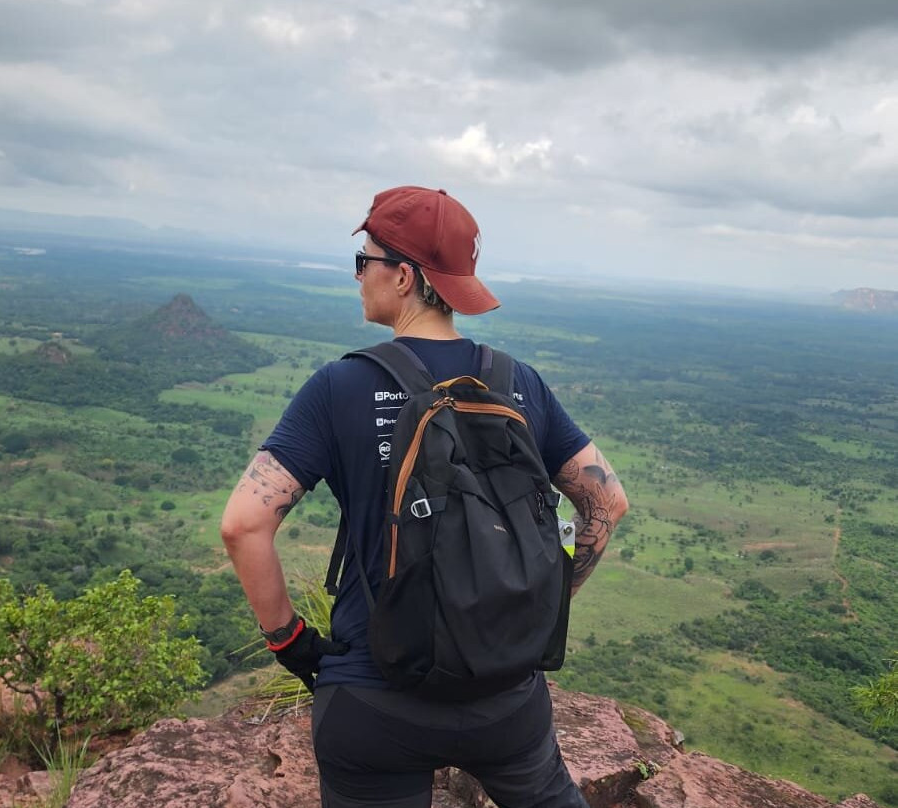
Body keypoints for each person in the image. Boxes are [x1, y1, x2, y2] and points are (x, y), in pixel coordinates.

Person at [221, 186, 629, 808]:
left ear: (404, 276)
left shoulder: (340, 386)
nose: (359, 277)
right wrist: (535, 604)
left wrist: (291, 642)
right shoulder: (519, 382)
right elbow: (606, 504)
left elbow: (245, 524)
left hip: (372, 697)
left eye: (366, 262)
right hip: (504, 699)